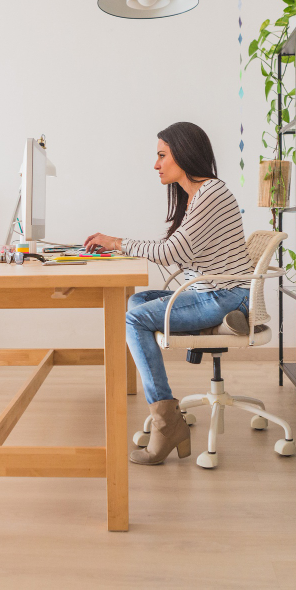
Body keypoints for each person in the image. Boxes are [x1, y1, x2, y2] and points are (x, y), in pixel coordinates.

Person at [84, 122, 252, 465]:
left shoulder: (210, 193)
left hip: (224, 295)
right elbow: (180, 252)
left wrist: (116, 242)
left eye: (162, 155)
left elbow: (170, 252)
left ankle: (166, 423)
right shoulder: (198, 195)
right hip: (213, 293)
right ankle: (211, 327)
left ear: (184, 154)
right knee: (138, 302)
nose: (156, 164)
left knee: (134, 319)